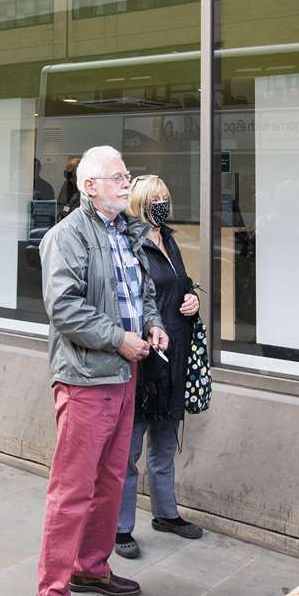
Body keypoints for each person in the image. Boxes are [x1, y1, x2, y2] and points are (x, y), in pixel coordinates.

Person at [33, 145, 168, 596]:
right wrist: (119, 338)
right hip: (87, 377)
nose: (126, 182)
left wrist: (152, 326)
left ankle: (91, 565)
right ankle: (52, 593)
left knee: (112, 478)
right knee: (73, 488)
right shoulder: (66, 237)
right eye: (117, 177)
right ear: (89, 187)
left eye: (127, 175)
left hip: (125, 373)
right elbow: (64, 309)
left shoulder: (127, 232)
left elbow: (143, 292)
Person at [114, 174, 203, 559]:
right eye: (156, 198)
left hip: (175, 352)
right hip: (145, 358)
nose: (163, 203)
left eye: (166, 196)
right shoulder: (129, 244)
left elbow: (181, 285)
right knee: (129, 448)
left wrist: (192, 301)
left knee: (166, 442)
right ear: (139, 203)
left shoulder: (168, 239)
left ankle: (166, 512)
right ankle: (119, 528)